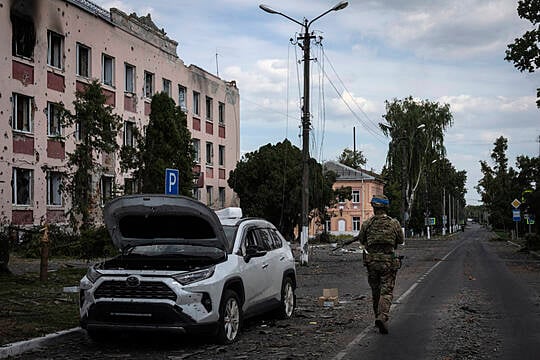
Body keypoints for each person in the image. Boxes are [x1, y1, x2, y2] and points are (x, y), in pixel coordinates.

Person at [342, 194, 404, 334]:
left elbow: (362, 240)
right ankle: (382, 316)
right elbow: (400, 240)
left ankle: (377, 317)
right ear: (386, 207)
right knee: (386, 291)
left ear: (373, 207)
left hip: (372, 263)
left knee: (376, 291)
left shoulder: (367, 224)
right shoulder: (394, 223)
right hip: (388, 262)